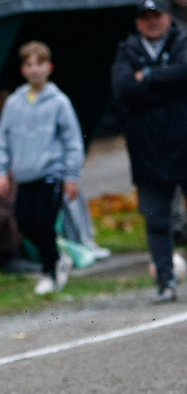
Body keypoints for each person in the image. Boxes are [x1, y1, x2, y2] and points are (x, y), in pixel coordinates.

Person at [0, 41, 84, 295]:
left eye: (39, 64)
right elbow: (3, 140)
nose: (34, 70)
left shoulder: (59, 102)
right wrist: (1, 172)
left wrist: (71, 175)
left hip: (50, 174)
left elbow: (72, 141)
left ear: (49, 67)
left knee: (44, 222)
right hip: (24, 175)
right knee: (24, 222)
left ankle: (49, 269)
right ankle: (56, 258)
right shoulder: (14, 103)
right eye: (29, 65)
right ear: (22, 70)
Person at [111, 0, 187, 303]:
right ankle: (165, 281)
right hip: (147, 151)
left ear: (168, 17)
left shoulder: (182, 41)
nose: (152, 22)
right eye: (146, 17)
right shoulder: (126, 51)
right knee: (157, 219)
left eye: (157, 16)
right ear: (137, 22)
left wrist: (150, 77)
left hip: (184, 144)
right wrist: (169, 83)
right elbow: (123, 87)